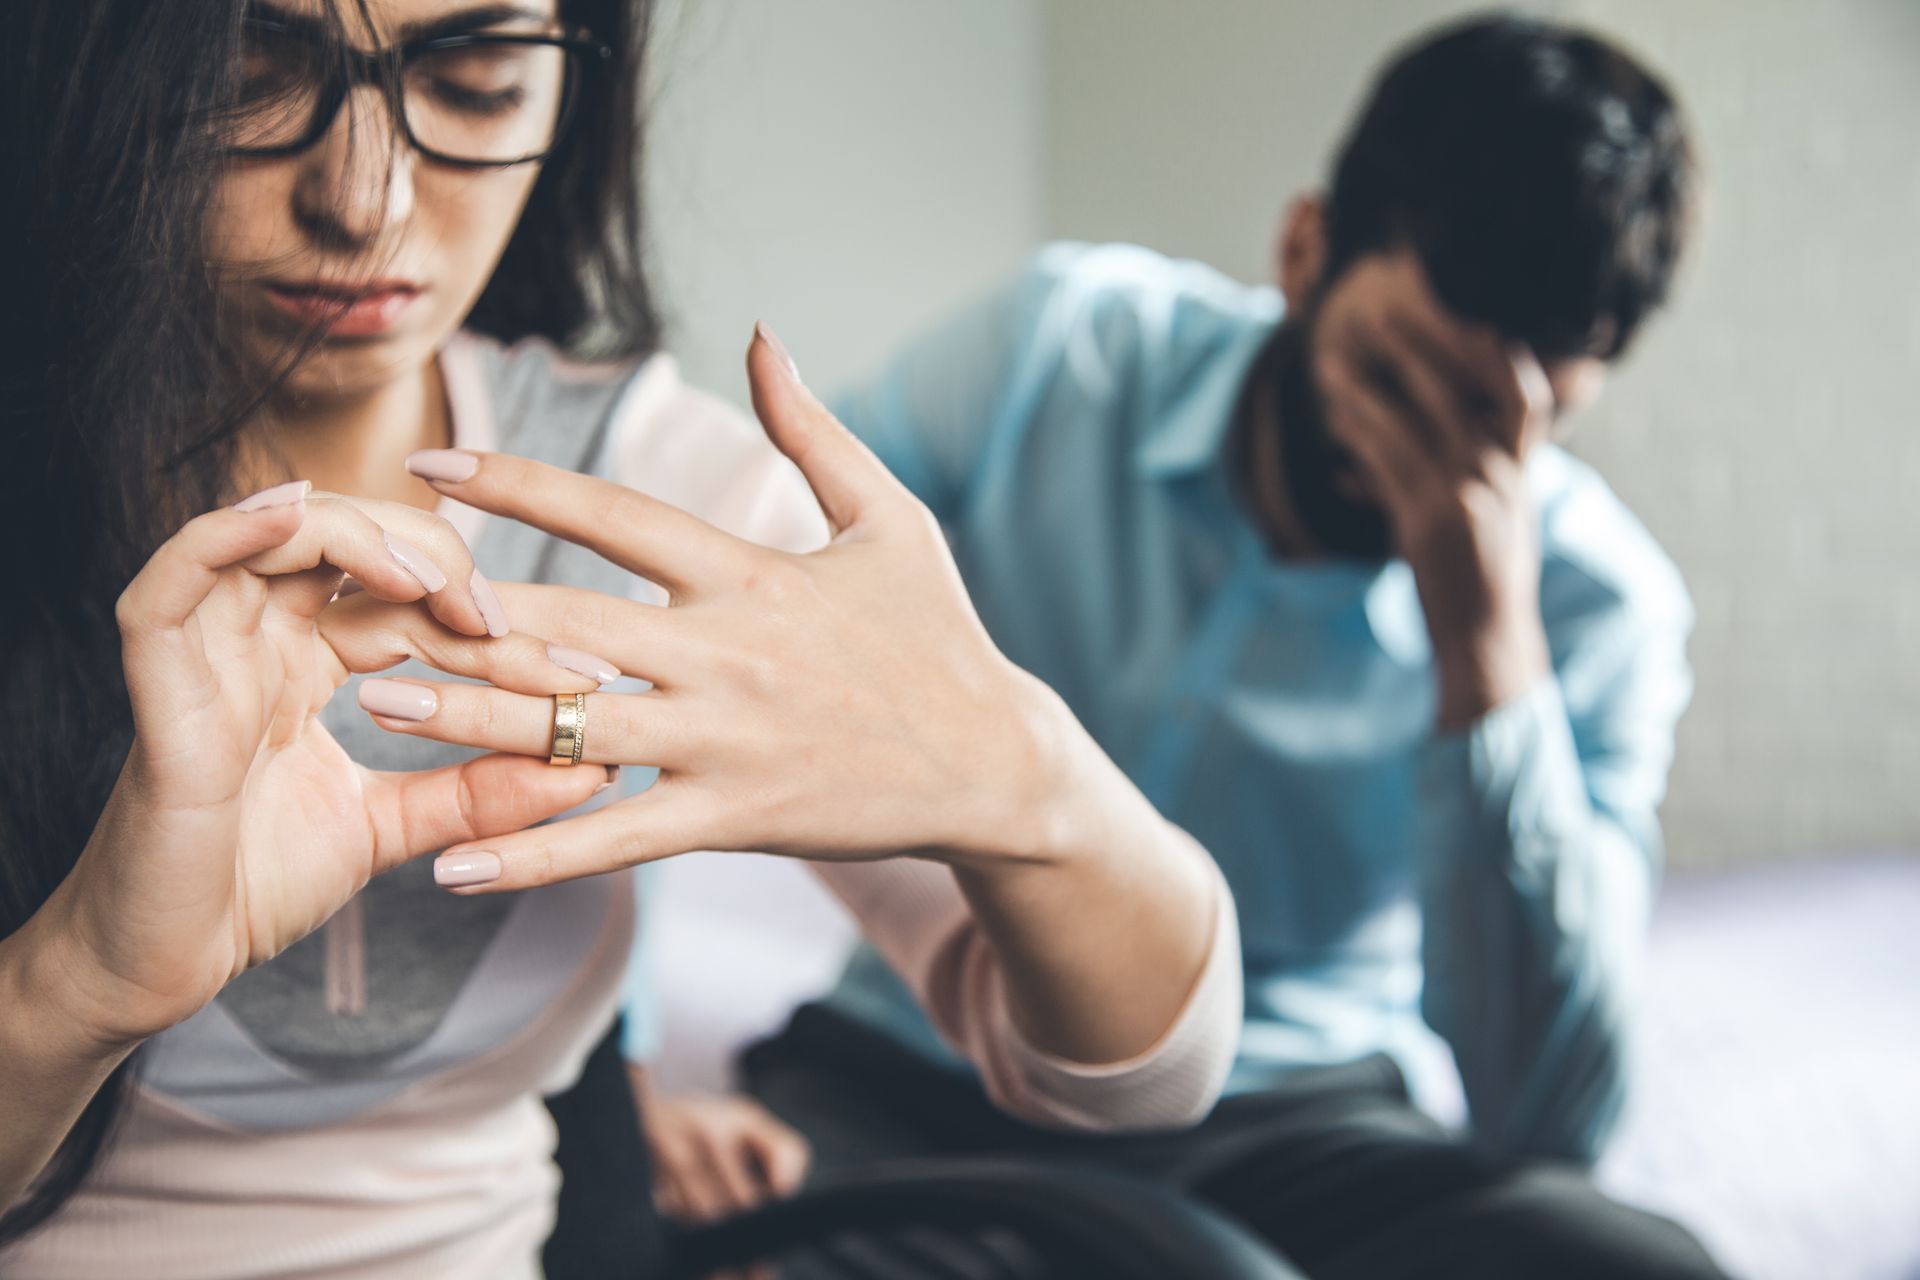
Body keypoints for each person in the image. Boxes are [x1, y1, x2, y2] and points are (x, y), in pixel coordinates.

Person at [0, 2, 1243, 1276]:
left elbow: (1139, 1075)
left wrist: (1025, 770)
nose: (364, 200)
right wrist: (82, 983)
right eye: (248, 78)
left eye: (475, 80)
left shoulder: (666, 487)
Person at [737, 14, 1728, 1279]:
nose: (1419, 456)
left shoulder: (1599, 611)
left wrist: (1486, 655)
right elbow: (751, 589)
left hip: (1290, 1120)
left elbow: (1545, 1118)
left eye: (1495, 421)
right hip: (928, 1064)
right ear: (1305, 248)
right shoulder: (1062, 350)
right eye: (1398, 373)